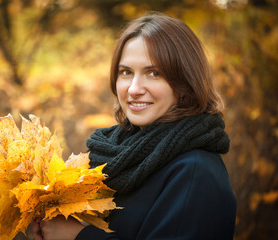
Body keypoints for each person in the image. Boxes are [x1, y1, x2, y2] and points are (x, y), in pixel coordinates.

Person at [33, 12, 236, 240]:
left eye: (153, 73)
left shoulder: (195, 173)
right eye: (126, 72)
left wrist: (79, 237)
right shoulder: (114, 159)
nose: (133, 88)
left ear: (185, 83)